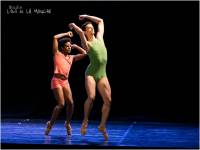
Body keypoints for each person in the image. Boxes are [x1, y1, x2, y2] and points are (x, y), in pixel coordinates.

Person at [69, 15, 112, 141]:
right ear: (86, 31)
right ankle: (85, 121)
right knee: (92, 97)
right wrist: (74, 26)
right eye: (89, 28)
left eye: (92, 27)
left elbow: (101, 20)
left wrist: (86, 16)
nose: (92, 29)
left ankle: (102, 126)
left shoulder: (99, 37)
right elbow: (80, 33)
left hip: (102, 73)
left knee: (108, 101)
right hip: (91, 73)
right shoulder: (86, 43)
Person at [45, 31, 87, 136]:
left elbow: (85, 54)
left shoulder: (71, 58)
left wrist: (76, 46)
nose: (69, 48)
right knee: (61, 104)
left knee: (71, 103)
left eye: (69, 46)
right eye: (67, 46)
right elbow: (54, 37)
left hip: (65, 81)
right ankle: (50, 124)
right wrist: (66, 34)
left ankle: (67, 123)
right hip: (56, 80)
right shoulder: (57, 54)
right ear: (62, 48)